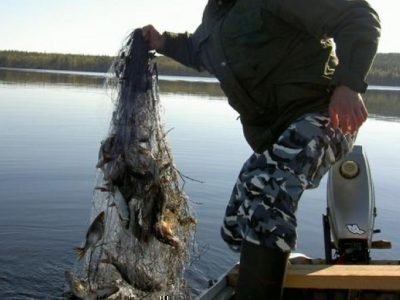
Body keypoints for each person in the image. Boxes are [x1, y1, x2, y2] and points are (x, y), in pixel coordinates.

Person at [143, 0, 380, 299]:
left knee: (270, 198)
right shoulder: (214, 16)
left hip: (323, 115)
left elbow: (358, 16)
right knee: (235, 224)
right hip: (277, 139)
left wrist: (349, 85)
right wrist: (163, 42)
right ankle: (270, 266)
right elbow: (200, 51)